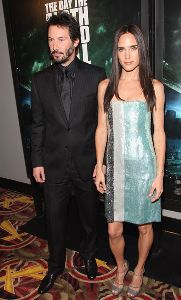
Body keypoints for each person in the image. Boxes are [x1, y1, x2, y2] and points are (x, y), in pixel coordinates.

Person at [31, 12, 106, 294]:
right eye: (51, 40)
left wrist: (101, 163)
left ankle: (88, 254)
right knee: (54, 219)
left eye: (61, 39)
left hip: (86, 163)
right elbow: (37, 124)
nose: (55, 45)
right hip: (53, 164)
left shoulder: (97, 76)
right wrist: (36, 161)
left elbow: (102, 124)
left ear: (75, 41)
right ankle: (54, 266)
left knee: (89, 215)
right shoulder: (38, 80)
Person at [95, 24, 165, 298]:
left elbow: (158, 132)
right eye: (121, 49)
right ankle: (121, 265)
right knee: (113, 230)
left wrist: (159, 173)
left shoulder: (154, 87)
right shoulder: (106, 87)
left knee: (145, 226)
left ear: (141, 50)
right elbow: (102, 129)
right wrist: (99, 164)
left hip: (145, 165)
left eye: (133, 48)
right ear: (116, 53)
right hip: (115, 169)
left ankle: (138, 268)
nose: (127, 55)